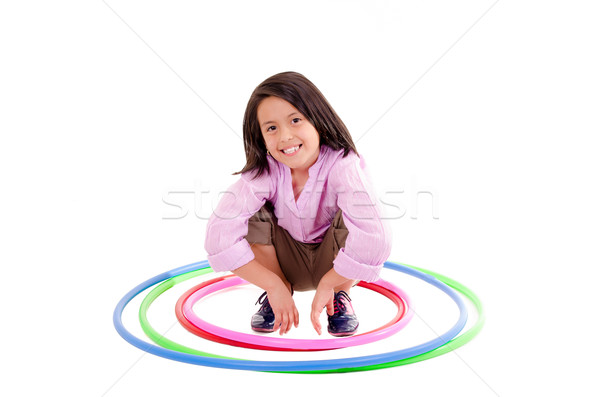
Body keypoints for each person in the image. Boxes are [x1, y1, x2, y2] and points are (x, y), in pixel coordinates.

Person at [204, 71, 391, 337]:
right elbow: (218, 236)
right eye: (271, 128)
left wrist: (331, 281)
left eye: (295, 120)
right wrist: (272, 285)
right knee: (252, 213)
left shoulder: (343, 164)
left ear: (318, 121)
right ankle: (278, 292)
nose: (285, 136)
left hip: (336, 266)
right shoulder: (264, 173)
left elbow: (376, 238)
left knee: (356, 214)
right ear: (262, 138)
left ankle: (340, 296)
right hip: (284, 264)